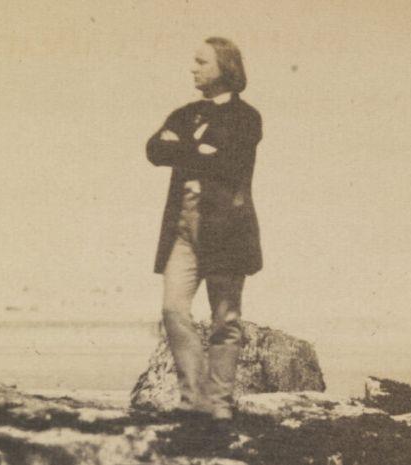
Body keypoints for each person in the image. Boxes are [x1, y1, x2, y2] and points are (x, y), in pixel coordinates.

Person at [146, 37, 263, 421]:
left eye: (201, 62)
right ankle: (194, 401)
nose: (192, 68)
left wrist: (182, 148)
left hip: (227, 232)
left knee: (225, 320)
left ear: (225, 67)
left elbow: (228, 163)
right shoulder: (185, 113)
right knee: (173, 309)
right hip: (182, 230)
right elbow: (153, 150)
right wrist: (199, 150)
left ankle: (220, 404)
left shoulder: (247, 117)